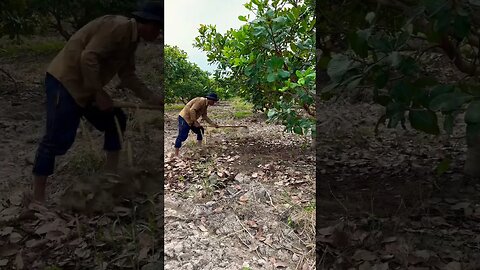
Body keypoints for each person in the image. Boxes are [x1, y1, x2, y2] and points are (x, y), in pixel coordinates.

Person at [31, 1, 164, 203]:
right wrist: (99, 93)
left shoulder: (131, 40)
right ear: (150, 25)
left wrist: (152, 99)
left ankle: (109, 177)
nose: (159, 35)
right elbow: (88, 57)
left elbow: (127, 75)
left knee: (115, 120)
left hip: (88, 88)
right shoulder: (118, 27)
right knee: (56, 140)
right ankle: (37, 200)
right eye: (159, 29)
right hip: (65, 83)